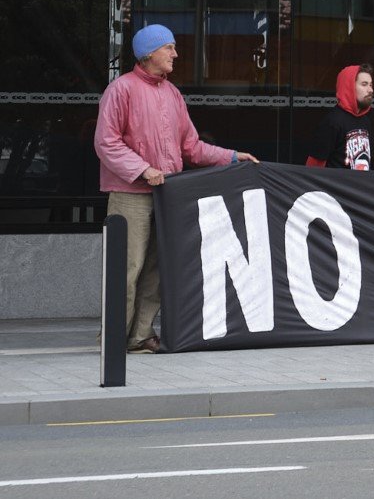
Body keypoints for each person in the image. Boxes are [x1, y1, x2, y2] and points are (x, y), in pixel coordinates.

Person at [93, 24, 259, 354]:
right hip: (130, 195)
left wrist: (231, 156)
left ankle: (139, 337)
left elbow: (192, 147)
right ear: (149, 53)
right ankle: (113, 340)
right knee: (127, 269)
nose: (175, 54)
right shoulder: (121, 89)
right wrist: (142, 170)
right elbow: (105, 143)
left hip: (167, 195)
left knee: (155, 270)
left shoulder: (172, 93)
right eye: (169, 48)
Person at [310, 64, 374, 170]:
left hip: (360, 185)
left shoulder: (366, 121)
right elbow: (313, 167)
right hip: (336, 186)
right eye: (364, 84)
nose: (370, 90)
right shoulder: (333, 122)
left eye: (371, 85)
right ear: (349, 87)